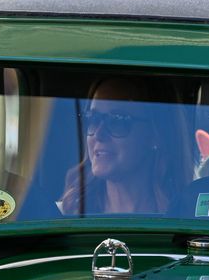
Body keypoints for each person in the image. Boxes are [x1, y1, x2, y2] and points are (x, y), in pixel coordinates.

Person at [57, 77, 195, 215]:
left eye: (117, 120)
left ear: (156, 134)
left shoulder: (185, 220)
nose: (98, 134)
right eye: (93, 118)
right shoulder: (64, 217)